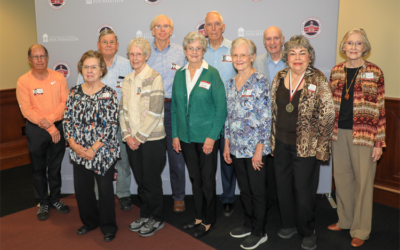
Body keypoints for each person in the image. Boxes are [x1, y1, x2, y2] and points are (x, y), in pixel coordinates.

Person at [270, 35, 334, 250]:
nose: (297, 57)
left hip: (306, 146)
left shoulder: (318, 79)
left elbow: (327, 115)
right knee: (283, 187)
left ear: (310, 56)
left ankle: (307, 230)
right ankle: (288, 224)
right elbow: (273, 110)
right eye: (292, 53)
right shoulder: (279, 76)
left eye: (302, 53)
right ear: (286, 56)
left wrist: (322, 147)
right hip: (280, 142)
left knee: (304, 190)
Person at [327, 28, 386, 248]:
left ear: (365, 47)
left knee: (363, 183)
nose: (353, 47)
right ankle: (345, 220)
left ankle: (361, 229)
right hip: (338, 134)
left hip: (364, 136)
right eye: (349, 43)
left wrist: (379, 142)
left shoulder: (375, 71)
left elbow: (380, 109)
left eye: (358, 43)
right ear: (343, 47)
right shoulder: (336, 71)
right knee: (342, 180)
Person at [171, 32, 227, 238]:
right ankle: (198, 216)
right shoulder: (179, 74)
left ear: (203, 51)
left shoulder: (212, 74)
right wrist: (175, 134)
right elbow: (176, 108)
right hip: (185, 137)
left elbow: (221, 108)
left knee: (207, 180)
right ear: (185, 51)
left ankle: (209, 220)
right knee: (195, 179)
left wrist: (212, 137)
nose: (194, 52)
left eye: (198, 48)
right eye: (190, 48)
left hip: (207, 138)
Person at [63, 50, 120, 242]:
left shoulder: (109, 94)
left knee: (105, 191)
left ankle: (109, 226)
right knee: (83, 190)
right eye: (86, 66)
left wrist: (93, 149)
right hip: (78, 150)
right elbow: (67, 120)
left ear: (101, 69)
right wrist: (72, 144)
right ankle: (89, 222)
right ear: (81, 69)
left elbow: (112, 125)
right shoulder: (74, 92)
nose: (89, 70)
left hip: (103, 151)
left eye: (94, 66)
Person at [77, 29, 133, 211]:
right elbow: (80, 93)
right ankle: (99, 195)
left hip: (121, 121)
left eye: (111, 42)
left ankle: (123, 193)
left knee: (123, 159)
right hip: (95, 125)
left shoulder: (127, 65)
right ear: (98, 45)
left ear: (117, 46)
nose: (108, 45)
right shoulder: (89, 66)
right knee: (97, 159)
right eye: (104, 42)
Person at [224, 38, 271, 250]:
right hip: (236, 147)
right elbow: (228, 117)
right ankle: (249, 223)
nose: (239, 59)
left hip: (255, 149)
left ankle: (260, 231)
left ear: (252, 56)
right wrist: (226, 145)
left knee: (257, 191)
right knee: (244, 190)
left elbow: (266, 117)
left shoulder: (260, 81)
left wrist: (259, 149)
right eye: (236, 55)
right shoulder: (230, 83)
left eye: (244, 55)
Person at [16, 44, 70, 221]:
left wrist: (52, 121)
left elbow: (65, 103)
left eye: (42, 56)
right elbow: (27, 110)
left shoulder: (58, 78)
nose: (39, 60)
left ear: (47, 57)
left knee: (54, 168)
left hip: (57, 127)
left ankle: (55, 199)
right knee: (39, 169)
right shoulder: (23, 81)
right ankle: (43, 202)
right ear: (29, 59)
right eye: (35, 57)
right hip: (37, 130)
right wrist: (50, 127)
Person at [120, 37, 167, 237]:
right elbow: (123, 110)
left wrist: (137, 138)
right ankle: (145, 214)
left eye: (139, 54)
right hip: (132, 140)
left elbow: (155, 112)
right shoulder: (128, 79)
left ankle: (156, 218)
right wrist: (126, 135)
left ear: (146, 56)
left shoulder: (154, 77)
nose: (135, 57)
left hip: (151, 141)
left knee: (151, 181)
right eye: (132, 54)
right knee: (140, 180)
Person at [147, 15, 187, 213]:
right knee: (152, 158)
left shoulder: (182, 53)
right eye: (158, 26)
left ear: (171, 30)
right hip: (151, 110)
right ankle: (152, 197)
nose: (162, 30)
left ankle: (179, 197)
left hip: (173, 109)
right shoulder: (144, 53)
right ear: (152, 30)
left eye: (166, 26)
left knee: (175, 156)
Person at [203, 11, 237, 217]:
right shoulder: (198, 50)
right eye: (209, 25)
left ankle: (228, 197)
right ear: (204, 29)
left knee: (227, 158)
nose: (213, 28)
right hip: (206, 114)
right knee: (206, 158)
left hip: (230, 112)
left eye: (217, 24)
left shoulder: (234, 48)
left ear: (223, 27)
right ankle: (207, 198)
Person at [253, 26, 287, 210]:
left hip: (285, 120)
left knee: (281, 163)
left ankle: (282, 202)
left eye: (276, 38)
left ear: (283, 40)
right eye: (268, 39)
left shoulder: (292, 61)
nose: (272, 42)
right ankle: (267, 201)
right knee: (264, 162)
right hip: (262, 120)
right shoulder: (256, 62)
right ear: (264, 42)